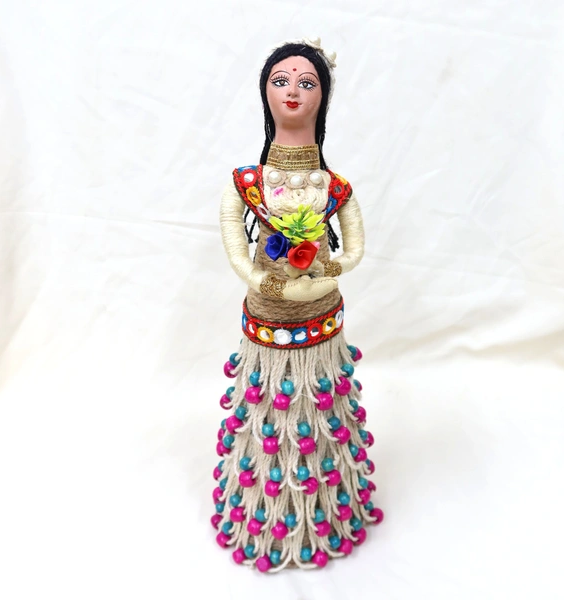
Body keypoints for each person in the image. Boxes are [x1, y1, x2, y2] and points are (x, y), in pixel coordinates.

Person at [212, 37, 383, 573]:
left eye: (307, 82)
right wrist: (264, 282)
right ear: (264, 92)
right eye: (281, 80)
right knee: (267, 410)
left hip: (320, 322)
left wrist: (327, 272)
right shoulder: (246, 184)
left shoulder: (335, 187)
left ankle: (323, 511)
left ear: (322, 96)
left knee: (319, 411)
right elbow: (237, 251)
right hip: (268, 321)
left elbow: (353, 249)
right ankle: (265, 514)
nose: (293, 91)